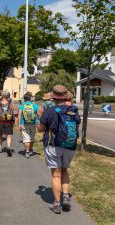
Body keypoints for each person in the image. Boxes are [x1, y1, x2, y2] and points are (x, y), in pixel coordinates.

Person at [37, 85, 80, 214]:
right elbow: (77, 126)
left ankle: (56, 204)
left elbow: (40, 129)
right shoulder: (73, 110)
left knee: (56, 174)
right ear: (65, 96)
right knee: (65, 170)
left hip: (53, 145)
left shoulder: (49, 111)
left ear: (53, 97)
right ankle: (65, 196)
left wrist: (40, 116)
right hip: (70, 144)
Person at [0, 91, 15, 157]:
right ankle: (9, 146)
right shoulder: (10, 103)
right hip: (9, 122)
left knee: (0, 135)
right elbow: (13, 111)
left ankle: (0, 147)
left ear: (2, 96)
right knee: (8, 135)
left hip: (0, 122)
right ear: (7, 96)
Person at [18, 93, 39, 158]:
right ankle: (31, 149)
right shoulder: (35, 106)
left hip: (24, 124)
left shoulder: (22, 106)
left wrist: (19, 124)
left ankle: (27, 152)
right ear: (30, 99)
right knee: (32, 137)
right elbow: (39, 114)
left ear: (24, 99)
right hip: (33, 124)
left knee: (26, 138)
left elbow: (19, 115)